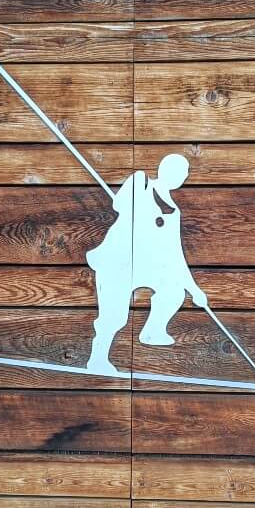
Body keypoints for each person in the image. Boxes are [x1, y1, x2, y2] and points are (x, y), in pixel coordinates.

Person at [85, 153, 206, 375]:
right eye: (178, 170)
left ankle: (153, 331)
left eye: (184, 172)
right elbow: (119, 204)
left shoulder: (173, 211)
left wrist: (195, 290)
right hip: (119, 261)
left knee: (173, 291)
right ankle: (97, 359)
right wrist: (139, 205)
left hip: (146, 266)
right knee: (114, 317)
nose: (182, 176)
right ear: (163, 169)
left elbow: (175, 254)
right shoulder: (141, 182)